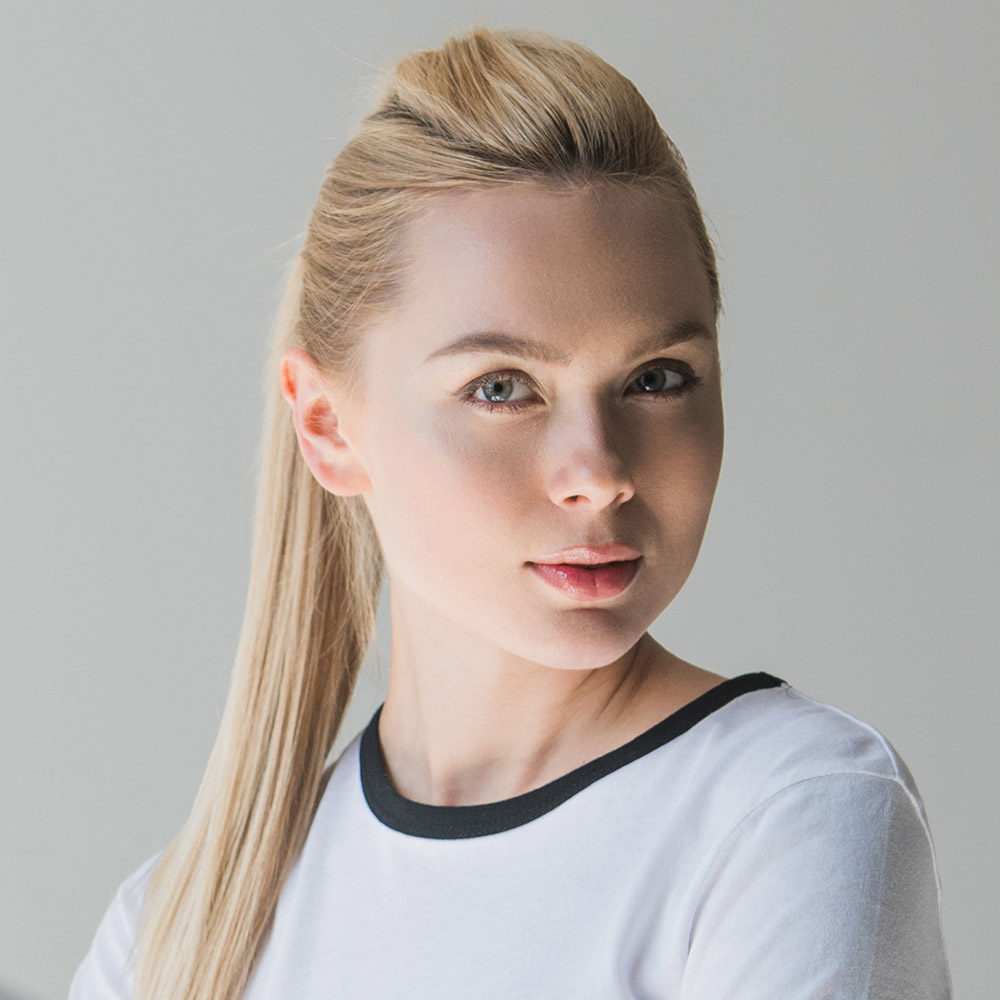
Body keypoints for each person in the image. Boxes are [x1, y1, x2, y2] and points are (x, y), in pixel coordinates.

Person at [68, 24, 952, 1000]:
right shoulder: (169, 933)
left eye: (657, 377)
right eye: (501, 388)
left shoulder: (791, 813)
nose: (599, 474)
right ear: (327, 425)